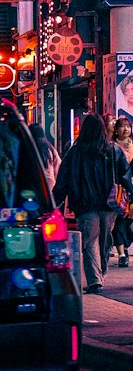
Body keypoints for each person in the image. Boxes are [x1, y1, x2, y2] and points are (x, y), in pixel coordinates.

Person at [54, 113, 133, 293]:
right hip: (109, 205)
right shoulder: (113, 149)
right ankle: (98, 278)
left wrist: (53, 202)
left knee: (90, 242)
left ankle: (96, 279)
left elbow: (63, 180)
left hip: (85, 206)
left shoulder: (75, 152)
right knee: (105, 241)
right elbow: (125, 174)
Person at [112, 117, 133, 267]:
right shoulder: (112, 147)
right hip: (118, 189)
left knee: (129, 221)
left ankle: (125, 247)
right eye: (122, 126)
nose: (125, 129)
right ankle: (121, 254)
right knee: (119, 220)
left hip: (132, 188)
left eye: (128, 126)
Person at [30, 125, 60, 192]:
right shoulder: (49, 148)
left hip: (33, 185)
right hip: (49, 185)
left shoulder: (28, 149)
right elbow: (58, 168)